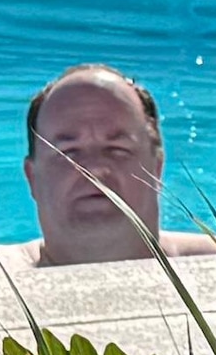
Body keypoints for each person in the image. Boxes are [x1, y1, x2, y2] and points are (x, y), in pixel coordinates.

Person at [23, 66, 169, 266]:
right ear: (32, 178)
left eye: (117, 149)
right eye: (68, 152)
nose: (94, 169)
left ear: (157, 170)